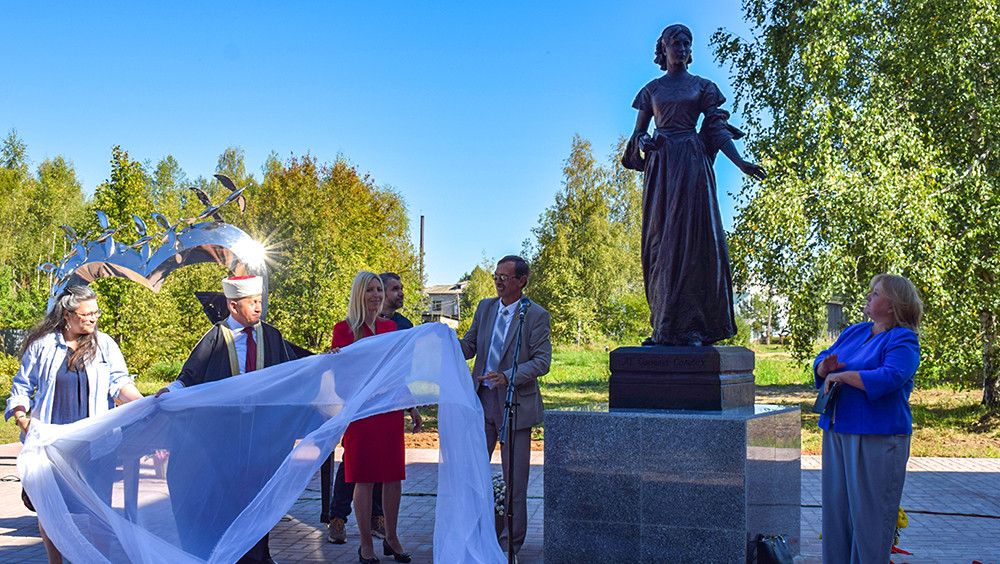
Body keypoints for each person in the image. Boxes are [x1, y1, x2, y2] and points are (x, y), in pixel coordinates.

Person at [622, 23, 765, 346]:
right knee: (662, 244)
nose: (682, 48)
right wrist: (644, 140)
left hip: (691, 166)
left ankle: (695, 327)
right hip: (661, 169)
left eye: (687, 43)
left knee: (694, 244)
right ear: (664, 48)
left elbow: (716, 128)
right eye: (676, 43)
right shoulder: (652, 90)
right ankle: (664, 326)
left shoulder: (703, 87)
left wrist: (740, 162)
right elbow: (637, 135)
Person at [156, 274, 296, 564]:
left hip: (262, 433)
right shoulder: (217, 337)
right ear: (234, 307)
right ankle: (227, 553)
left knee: (260, 494)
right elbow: (190, 375)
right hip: (225, 436)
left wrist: (326, 361)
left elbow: (294, 370)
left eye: (260, 301)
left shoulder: (272, 335)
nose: (259, 308)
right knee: (229, 495)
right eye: (252, 303)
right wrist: (171, 390)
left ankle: (260, 554)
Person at [5, 285, 143, 564]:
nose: (93, 318)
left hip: (96, 445)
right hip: (52, 445)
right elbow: (21, 386)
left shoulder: (105, 345)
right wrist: (22, 418)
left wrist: (143, 402)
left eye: (96, 313)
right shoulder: (43, 346)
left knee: (98, 512)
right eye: (87, 314)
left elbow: (120, 384)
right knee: (49, 510)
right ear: (67, 315)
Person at [814, 274, 922, 563]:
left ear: (893, 305)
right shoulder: (855, 331)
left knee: (869, 520)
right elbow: (825, 357)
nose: (868, 297)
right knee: (837, 516)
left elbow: (893, 376)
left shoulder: (903, 338)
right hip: (837, 430)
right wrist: (824, 366)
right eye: (870, 292)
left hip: (877, 436)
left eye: (876, 293)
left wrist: (845, 376)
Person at [459, 255, 551, 559]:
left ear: (521, 281)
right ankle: (472, 537)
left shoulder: (535, 315)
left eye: (505, 277)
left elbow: (542, 362)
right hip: (480, 404)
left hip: (514, 405)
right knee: (472, 475)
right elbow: (470, 345)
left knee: (515, 483)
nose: (498, 281)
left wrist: (508, 377)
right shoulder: (485, 308)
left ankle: (508, 548)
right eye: (496, 276)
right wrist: (443, 340)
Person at [322, 271, 421, 545]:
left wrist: (410, 406)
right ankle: (365, 544)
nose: (376, 295)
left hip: (389, 411)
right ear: (359, 294)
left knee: (393, 476)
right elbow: (341, 383)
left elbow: (398, 373)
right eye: (370, 290)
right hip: (361, 412)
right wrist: (333, 364)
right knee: (362, 477)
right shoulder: (344, 330)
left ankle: (391, 537)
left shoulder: (391, 329)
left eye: (379, 289)